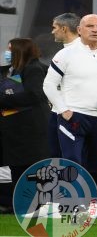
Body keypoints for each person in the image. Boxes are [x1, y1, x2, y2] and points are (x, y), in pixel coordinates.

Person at [43, 14, 97, 219]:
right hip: (73, 116)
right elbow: (49, 85)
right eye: (90, 26)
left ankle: (93, 204)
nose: (95, 29)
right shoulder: (65, 54)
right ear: (79, 29)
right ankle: (69, 205)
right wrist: (64, 110)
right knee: (72, 162)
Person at [0, 38, 50, 211]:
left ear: (19, 50)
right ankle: (21, 205)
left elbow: (34, 95)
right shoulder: (14, 70)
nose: (6, 53)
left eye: (9, 49)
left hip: (30, 129)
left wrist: (3, 100)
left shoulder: (34, 69)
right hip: (15, 130)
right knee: (17, 167)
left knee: (32, 168)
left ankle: (35, 206)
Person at [48, 13, 81, 158]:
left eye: (54, 27)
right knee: (56, 158)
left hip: (72, 113)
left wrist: (64, 110)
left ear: (64, 28)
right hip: (58, 111)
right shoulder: (63, 52)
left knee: (73, 160)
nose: (52, 31)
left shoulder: (84, 51)